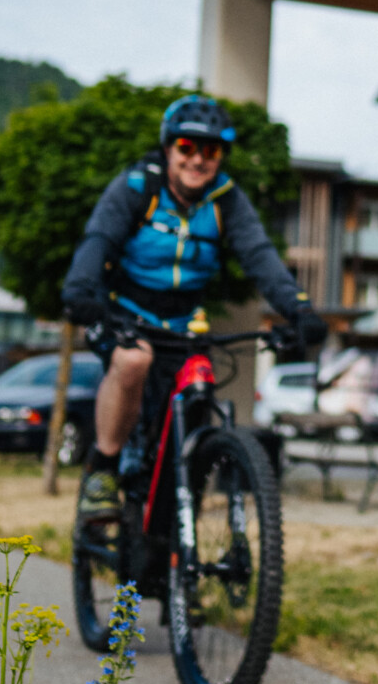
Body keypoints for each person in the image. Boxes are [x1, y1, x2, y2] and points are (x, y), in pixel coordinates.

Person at [61, 95, 327, 511]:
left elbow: (260, 257)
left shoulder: (226, 199)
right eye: (186, 148)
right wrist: (80, 292)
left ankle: (180, 512)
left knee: (200, 382)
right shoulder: (138, 186)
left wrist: (300, 308)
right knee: (132, 362)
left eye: (211, 150)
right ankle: (104, 468)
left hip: (185, 317)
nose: (198, 160)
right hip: (127, 310)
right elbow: (99, 241)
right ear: (169, 148)